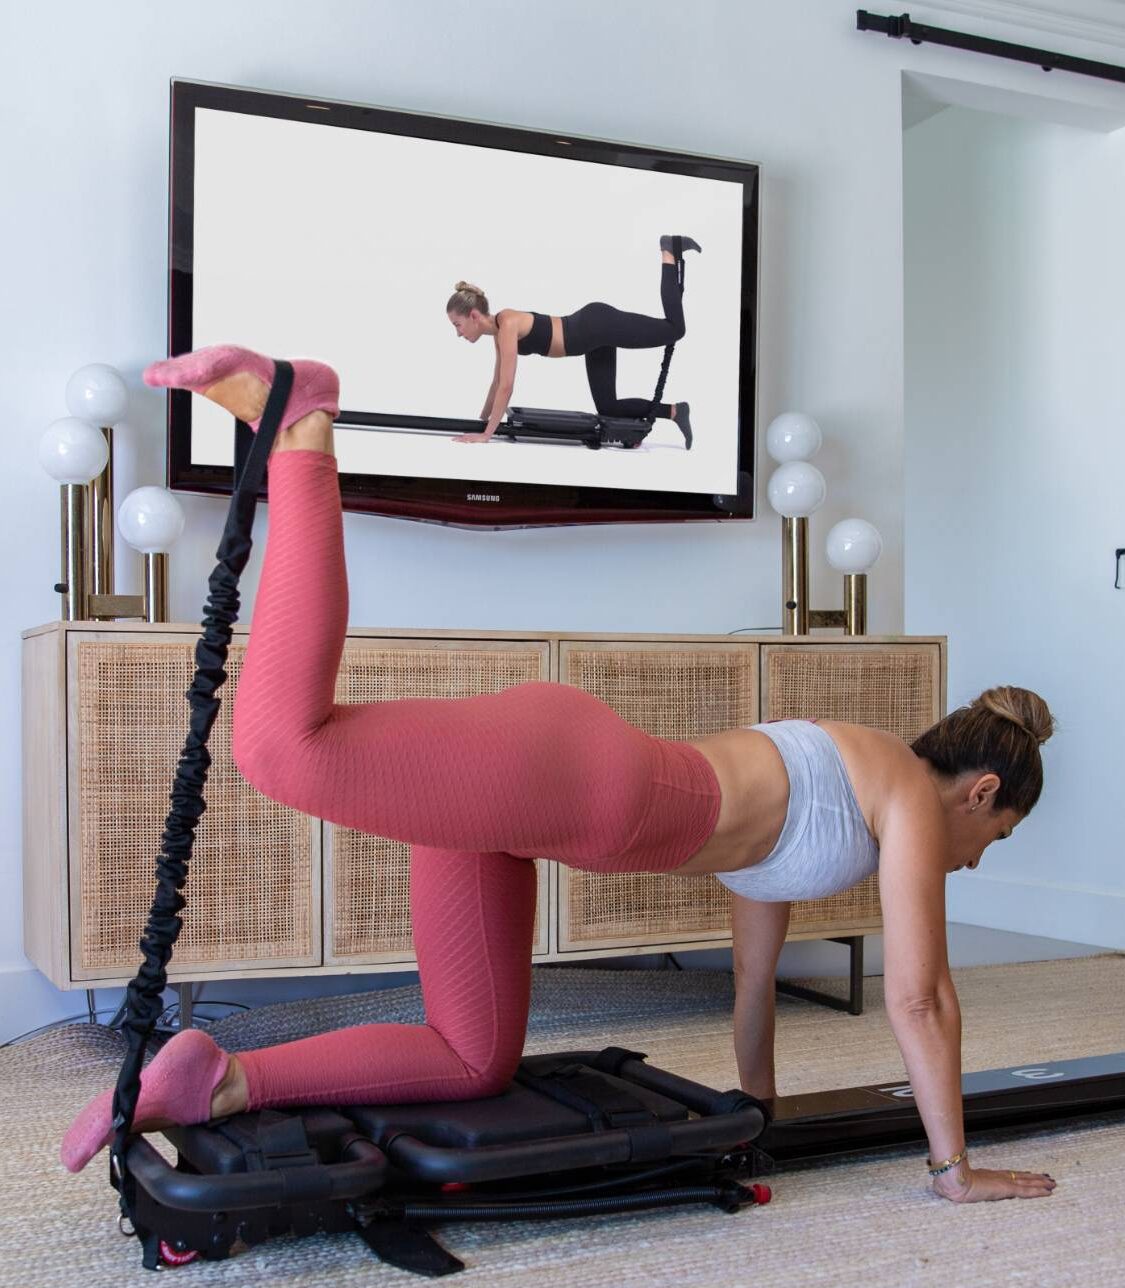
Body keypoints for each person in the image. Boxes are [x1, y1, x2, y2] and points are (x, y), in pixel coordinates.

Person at [61, 347, 1058, 1207]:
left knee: (470, 1055)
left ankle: (219, 1079)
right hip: (589, 780)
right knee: (282, 748)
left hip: (553, 794)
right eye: (997, 838)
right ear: (980, 793)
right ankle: (304, 427)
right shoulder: (902, 794)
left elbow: (753, 985)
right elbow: (922, 999)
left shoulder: (838, 799)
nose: (974, 864)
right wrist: (952, 1166)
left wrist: (755, 1116)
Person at [446, 235, 699, 448]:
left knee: (675, 329)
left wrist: (486, 435)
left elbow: (506, 387)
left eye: (458, 325)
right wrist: (479, 421)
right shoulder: (500, 333)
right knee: (608, 406)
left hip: (597, 326)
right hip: (592, 339)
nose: (458, 333)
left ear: (474, 315)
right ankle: (675, 411)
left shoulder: (508, 323)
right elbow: (496, 383)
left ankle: (668, 250)